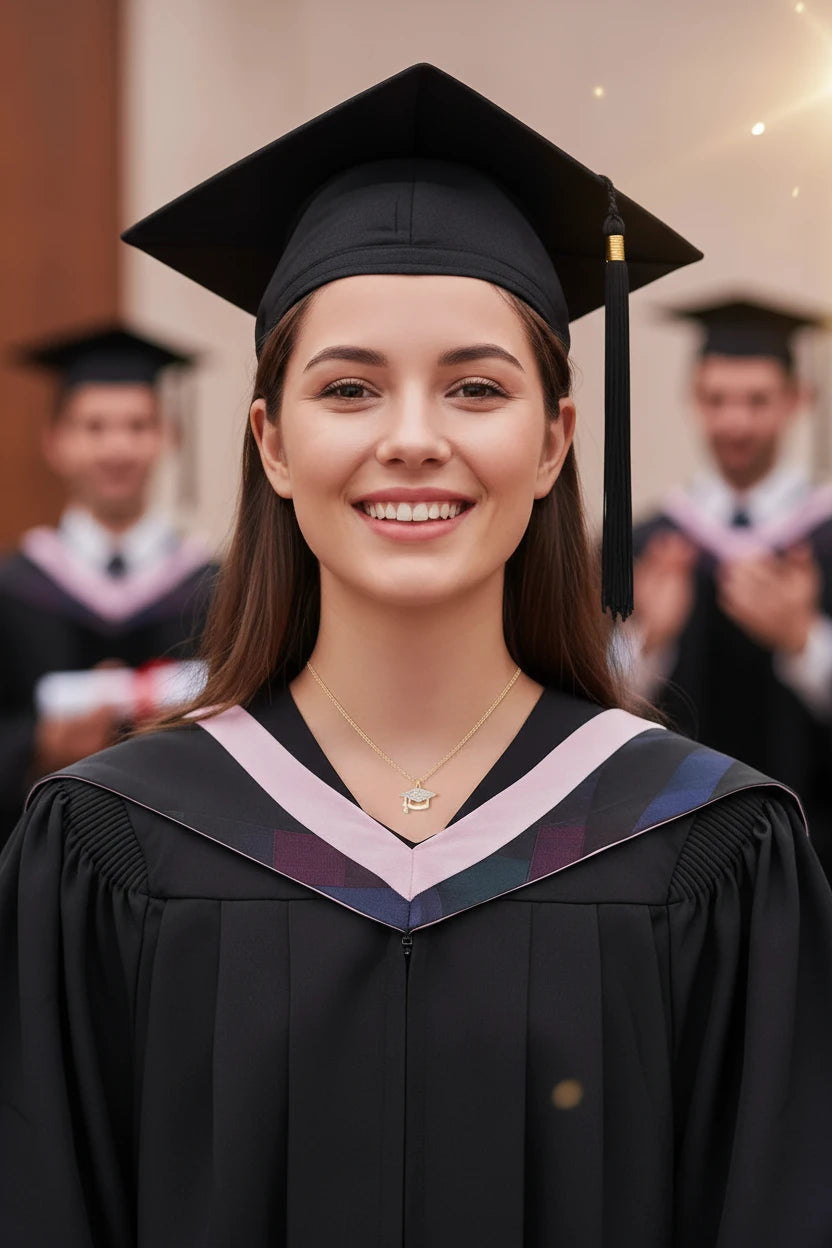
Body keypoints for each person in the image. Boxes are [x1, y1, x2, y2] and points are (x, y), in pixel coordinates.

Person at [2, 65, 832, 1248]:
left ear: (553, 442)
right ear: (272, 441)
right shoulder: (104, 851)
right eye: (347, 387)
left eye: (475, 387)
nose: (411, 439)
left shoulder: (709, 851)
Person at [630, 295, 832, 876]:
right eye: (717, 400)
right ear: (694, 399)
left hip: (818, 858)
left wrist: (803, 641)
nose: (734, 422)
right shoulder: (651, 542)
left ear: (798, 400)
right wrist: (647, 640)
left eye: (757, 401)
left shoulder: (824, 538)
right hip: (681, 856)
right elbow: (591, 709)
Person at [0, 325, 214, 844]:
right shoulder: (12, 590)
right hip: (43, 857)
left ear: (168, 437)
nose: (117, 447)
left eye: (138, 426)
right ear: (57, 442)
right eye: (95, 427)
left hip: (177, 861)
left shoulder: (218, 588)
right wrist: (38, 746)